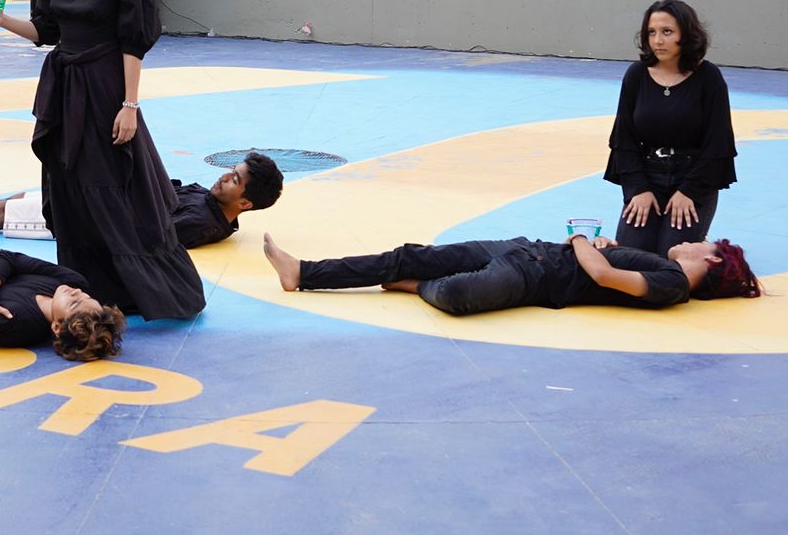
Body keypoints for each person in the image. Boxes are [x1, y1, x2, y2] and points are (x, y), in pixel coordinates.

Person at [0, 0, 205, 320]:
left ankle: (139, 291)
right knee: (70, 191)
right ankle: (86, 288)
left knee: (111, 189)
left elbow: (132, 44)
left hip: (104, 94)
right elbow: (47, 32)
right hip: (63, 95)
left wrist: (130, 105)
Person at [262, 230, 759, 315]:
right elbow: (610, 264)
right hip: (528, 252)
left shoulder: (674, 285)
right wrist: (604, 245)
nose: (692, 241)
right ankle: (303, 271)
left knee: (456, 295)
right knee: (410, 253)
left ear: (711, 261)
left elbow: (607, 277)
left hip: (535, 276)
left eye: (702, 244)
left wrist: (583, 241)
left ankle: (413, 285)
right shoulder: (664, 269)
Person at [0, 152, 284, 248]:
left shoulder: (202, 221)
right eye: (230, 170)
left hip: (90, 220)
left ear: (245, 203)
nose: (224, 177)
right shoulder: (207, 199)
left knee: (1, 214)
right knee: (20, 198)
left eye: (234, 180)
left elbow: (146, 233)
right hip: (97, 200)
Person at [605, 0, 736, 254]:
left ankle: (699, 236)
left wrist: (689, 191)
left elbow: (717, 143)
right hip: (648, 174)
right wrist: (638, 189)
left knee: (671, 258)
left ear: (686, 34)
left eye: (667, 32)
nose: (657, 41)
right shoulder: (636, 75)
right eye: (651, 33)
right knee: (630, 257)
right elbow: (624, 138)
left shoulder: (709, 78)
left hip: (692, 177)